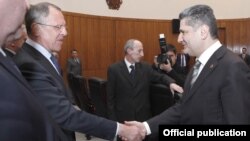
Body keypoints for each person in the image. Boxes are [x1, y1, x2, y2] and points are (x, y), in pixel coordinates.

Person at [13, 2, 143, 141]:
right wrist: (121, 129)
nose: (65, 32)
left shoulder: (40, 58)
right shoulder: (29, 65)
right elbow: (65, 115)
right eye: (58, 27)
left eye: (65, 27)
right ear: (36, 29)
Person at [126, 4, 250, 140]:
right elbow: (184, 107)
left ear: (203, 32)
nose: (179, 39)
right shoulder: (198, 65)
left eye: (183, 32)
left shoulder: (232, 66)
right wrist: (145, 127)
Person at [0, 0, 69, 140]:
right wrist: (118, 129)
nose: (27, 5)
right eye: (58, 27)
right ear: (37, 29)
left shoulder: (7, 60)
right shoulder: (26, 63)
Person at [106, 39, 184, 140]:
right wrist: (114, 124)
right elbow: (110, 99)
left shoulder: (145, 67)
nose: (142, 54)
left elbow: (160, 77)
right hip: (123, 121)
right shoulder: (114, 69)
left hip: (143, 120)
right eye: (139, 51)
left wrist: (171, 83)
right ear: (129, 50)